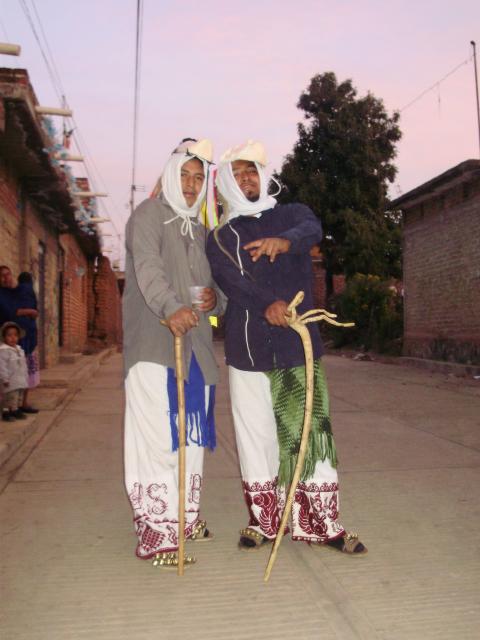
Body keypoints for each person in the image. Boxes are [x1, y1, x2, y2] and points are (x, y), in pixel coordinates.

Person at [207, 140, 366, 554]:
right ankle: (264, 521)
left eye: (252, 171)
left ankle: (323, 525)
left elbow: (312, 230)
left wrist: (284, 242)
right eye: (238, 174)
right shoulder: (222, 236)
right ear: (227, 183)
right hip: (249, 351)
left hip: (298, 349)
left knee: (311, 435)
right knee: (255, 437)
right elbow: (232, 283)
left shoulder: (292, 214)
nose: (247, 179)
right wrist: (266, 305)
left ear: (263, 174)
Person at [123, 138, 223, 568]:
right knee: (159, 442)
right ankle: (158, 535)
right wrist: (171, 307)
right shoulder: (147, 215)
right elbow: (148, 269)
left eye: (198, 178)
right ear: (168, 174)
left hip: (195, 352)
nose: (190, 184)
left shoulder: (199, 230)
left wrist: (212, 303)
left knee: (190, 441)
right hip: (153, 348)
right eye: (184, 174)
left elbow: (213, 293)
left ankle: (184, 519)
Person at [0, 266, 39, 413]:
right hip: (9, 341)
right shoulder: (2, 295)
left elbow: (33, 309)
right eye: (2, 276)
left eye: (8, 274)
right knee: (10, 373)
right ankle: (10, 406)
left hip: (26, 337)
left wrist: (33, 313)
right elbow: (11, 312)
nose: (6, 278)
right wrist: (29, 311)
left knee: (26, 371)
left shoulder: (17, 292)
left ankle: (23, 403)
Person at [0, 322, 28, 422]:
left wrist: (25, 376)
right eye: (9, 335)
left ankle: (15, 410)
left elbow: (23, 364)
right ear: (4, 337)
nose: (13, 338)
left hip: (19, 379)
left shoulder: (19, 349)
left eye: (15, 335)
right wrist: (5, 378)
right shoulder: (3, 351)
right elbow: (2, 366)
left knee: (17, 397)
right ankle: (6, 413)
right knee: (9, 397)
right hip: (9, 380)